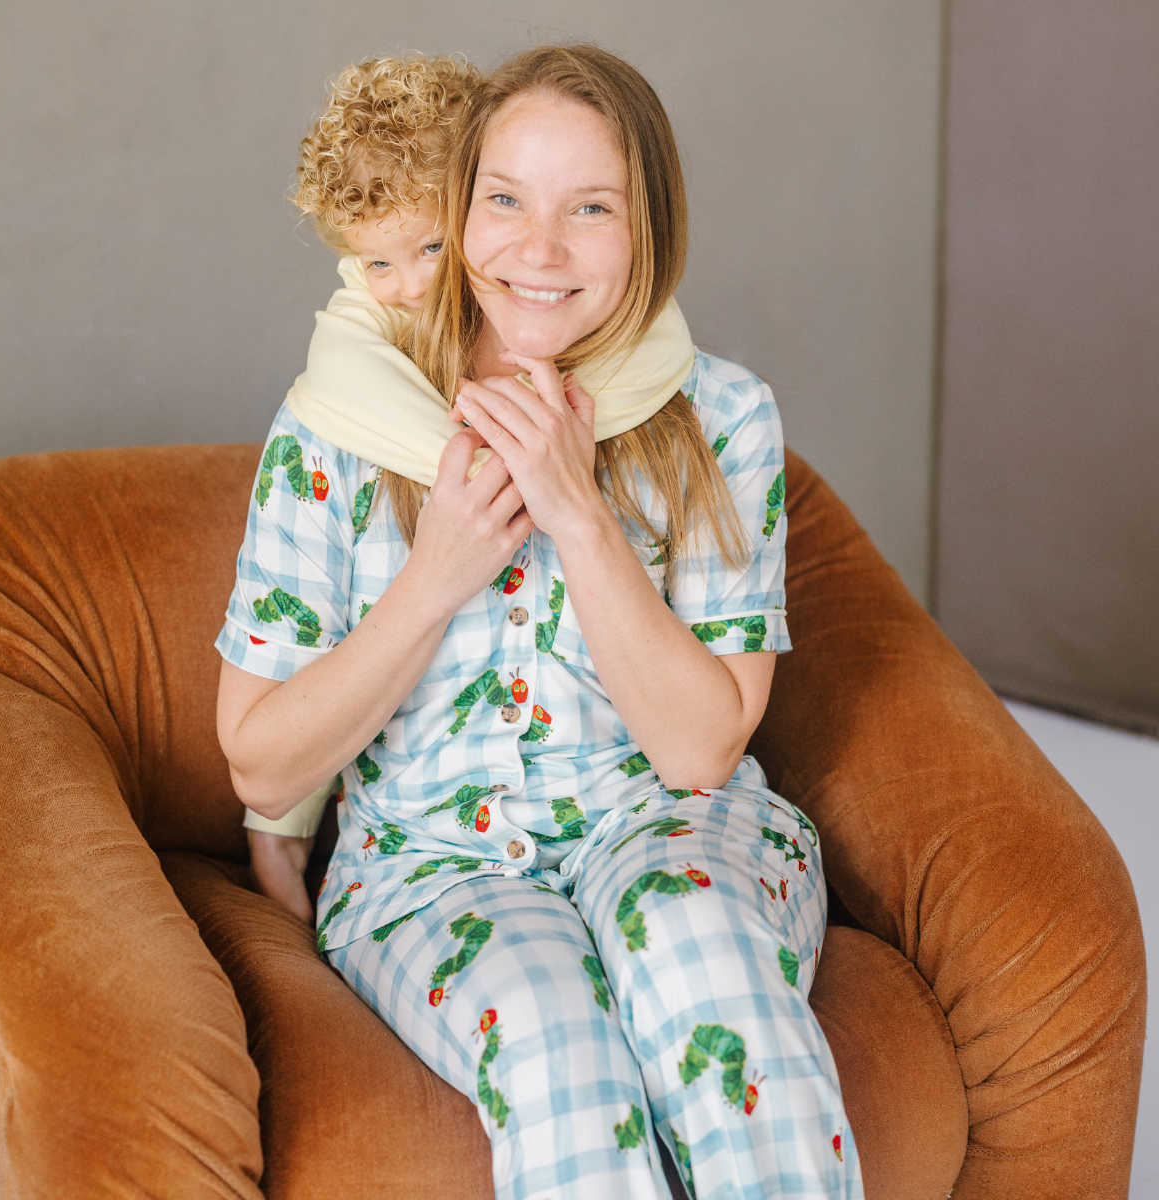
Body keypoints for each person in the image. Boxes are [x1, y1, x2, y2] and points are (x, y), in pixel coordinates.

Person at [217, 41, 861, 1200]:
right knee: (557, 1048)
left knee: (698, 956)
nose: (539, 249)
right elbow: (260, 761)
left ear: (651, 229)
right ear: (458, 210)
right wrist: (436, 576)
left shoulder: (724, 417)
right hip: (431, 869)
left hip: (669, 824)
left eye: (591, 208)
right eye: (505, 200)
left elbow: (700, 751)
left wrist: (578, 512)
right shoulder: (334, 431)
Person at [243, 52, 695, 926]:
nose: (410, 287)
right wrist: (282, 816)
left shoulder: (670, 384)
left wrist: (570, 489)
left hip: (638, 824)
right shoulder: (351, 365)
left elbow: (660, 347)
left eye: (431, 248)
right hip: (420, 852)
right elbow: (271, 737)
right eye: (378, 265)